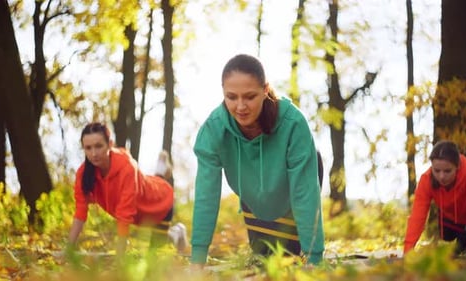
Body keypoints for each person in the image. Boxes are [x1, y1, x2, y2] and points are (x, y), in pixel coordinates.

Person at [191, 54, 324, 267]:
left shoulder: (293, 123)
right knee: (265, 262)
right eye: (231, 97)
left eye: (250, 96)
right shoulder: (213, 130)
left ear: (265, 90)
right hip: (254, 198)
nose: (240, 106)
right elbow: (207, 194)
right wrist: (197, 260)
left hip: (291, 193)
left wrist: (315, 257)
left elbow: (305, 193)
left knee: (289, 262)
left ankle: (303, 245)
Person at [67, 122, 187, 255]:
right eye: (88, 148)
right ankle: (161, 169)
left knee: (154, 256)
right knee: (150, 183)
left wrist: (120, 259)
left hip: (160, 202)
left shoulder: (127, 167)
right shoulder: (83, 174)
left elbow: (124, 217)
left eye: (99, 146)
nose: (94, 153)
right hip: (140, 206)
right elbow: (80, 213)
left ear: (110, 144)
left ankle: (177, 232)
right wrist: (68, 250)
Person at [404, 140, 466, 256]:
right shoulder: (426, 180)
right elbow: (417, 216)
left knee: (463, 248)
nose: (441, 176)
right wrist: (407, 251)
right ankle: (462, 239)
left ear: (457, 167)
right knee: (446, 235)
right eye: (437, 170)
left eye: (447, 171)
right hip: (451, 210)